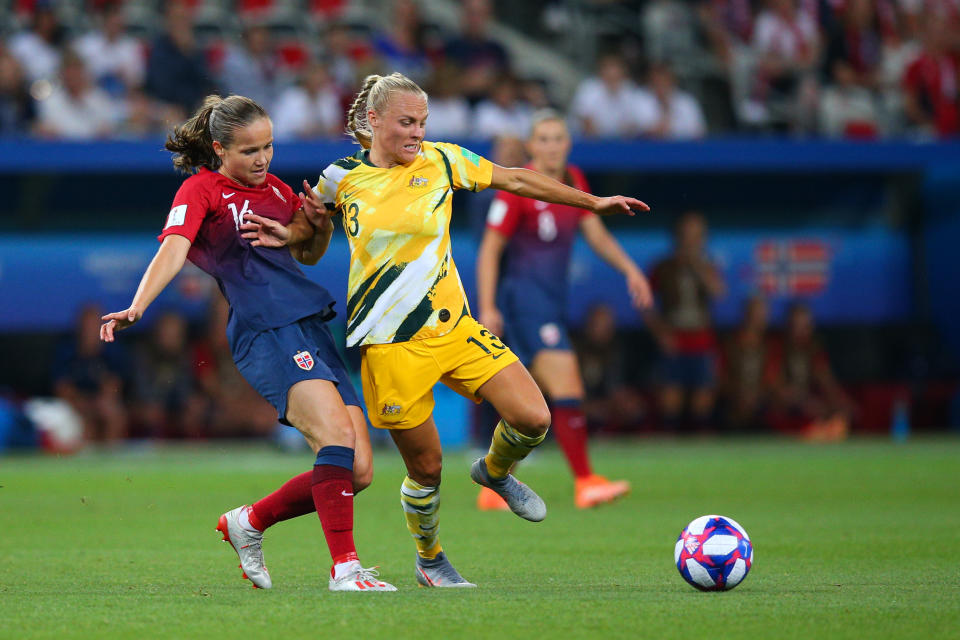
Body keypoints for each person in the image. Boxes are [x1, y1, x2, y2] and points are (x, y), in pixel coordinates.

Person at [246, 72, 649, 588]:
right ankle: (430, 558)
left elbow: (516, 178)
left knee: (533, 417)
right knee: (428, 469)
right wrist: (301, 231)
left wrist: (591, 202)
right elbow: (309, 247)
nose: (417, 132)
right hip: (390, 346)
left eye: (423, 122)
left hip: (454, 329)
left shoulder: (442, 160)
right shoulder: (339, 178)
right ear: (373, 121)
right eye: (406, 122)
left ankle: (496, 472)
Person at [99, 94, 394, 592]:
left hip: (311, 328)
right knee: (336, 443)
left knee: (359, 470)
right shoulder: (202, 189)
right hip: (265, 328)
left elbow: (306, 253)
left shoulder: (277, 191)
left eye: (269, 147)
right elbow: (174, 247)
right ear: (219, 149)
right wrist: (138, 305)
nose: (262, 160)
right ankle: (345, 569)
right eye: (250, 151)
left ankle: (249, 522)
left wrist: (318, 228)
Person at [476, 111, 653, 510]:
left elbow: (595, 231)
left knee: (525, 401)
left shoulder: (574, 181)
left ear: (568, 144)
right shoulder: (518, 186)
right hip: (526, 302)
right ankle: (585, 481)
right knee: (567, 384)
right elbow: (490, 249)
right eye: (543, 139)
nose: (552, 146)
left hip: (551, 301)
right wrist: (487, 306)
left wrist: (629, 269)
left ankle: (495, 484)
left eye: (558, 138)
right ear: (531, 146)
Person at [644, 211, 726, 433]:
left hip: (702, 339)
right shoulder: (663, 266)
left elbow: (718, 292)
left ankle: (702, 451)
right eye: (686, 234)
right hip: (674, 339)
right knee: (671, 402)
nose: (691, 240)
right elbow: (645, 303)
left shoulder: (708, 265)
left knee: (702, 403)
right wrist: (660, 332)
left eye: (696, 235)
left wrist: (697, 266)